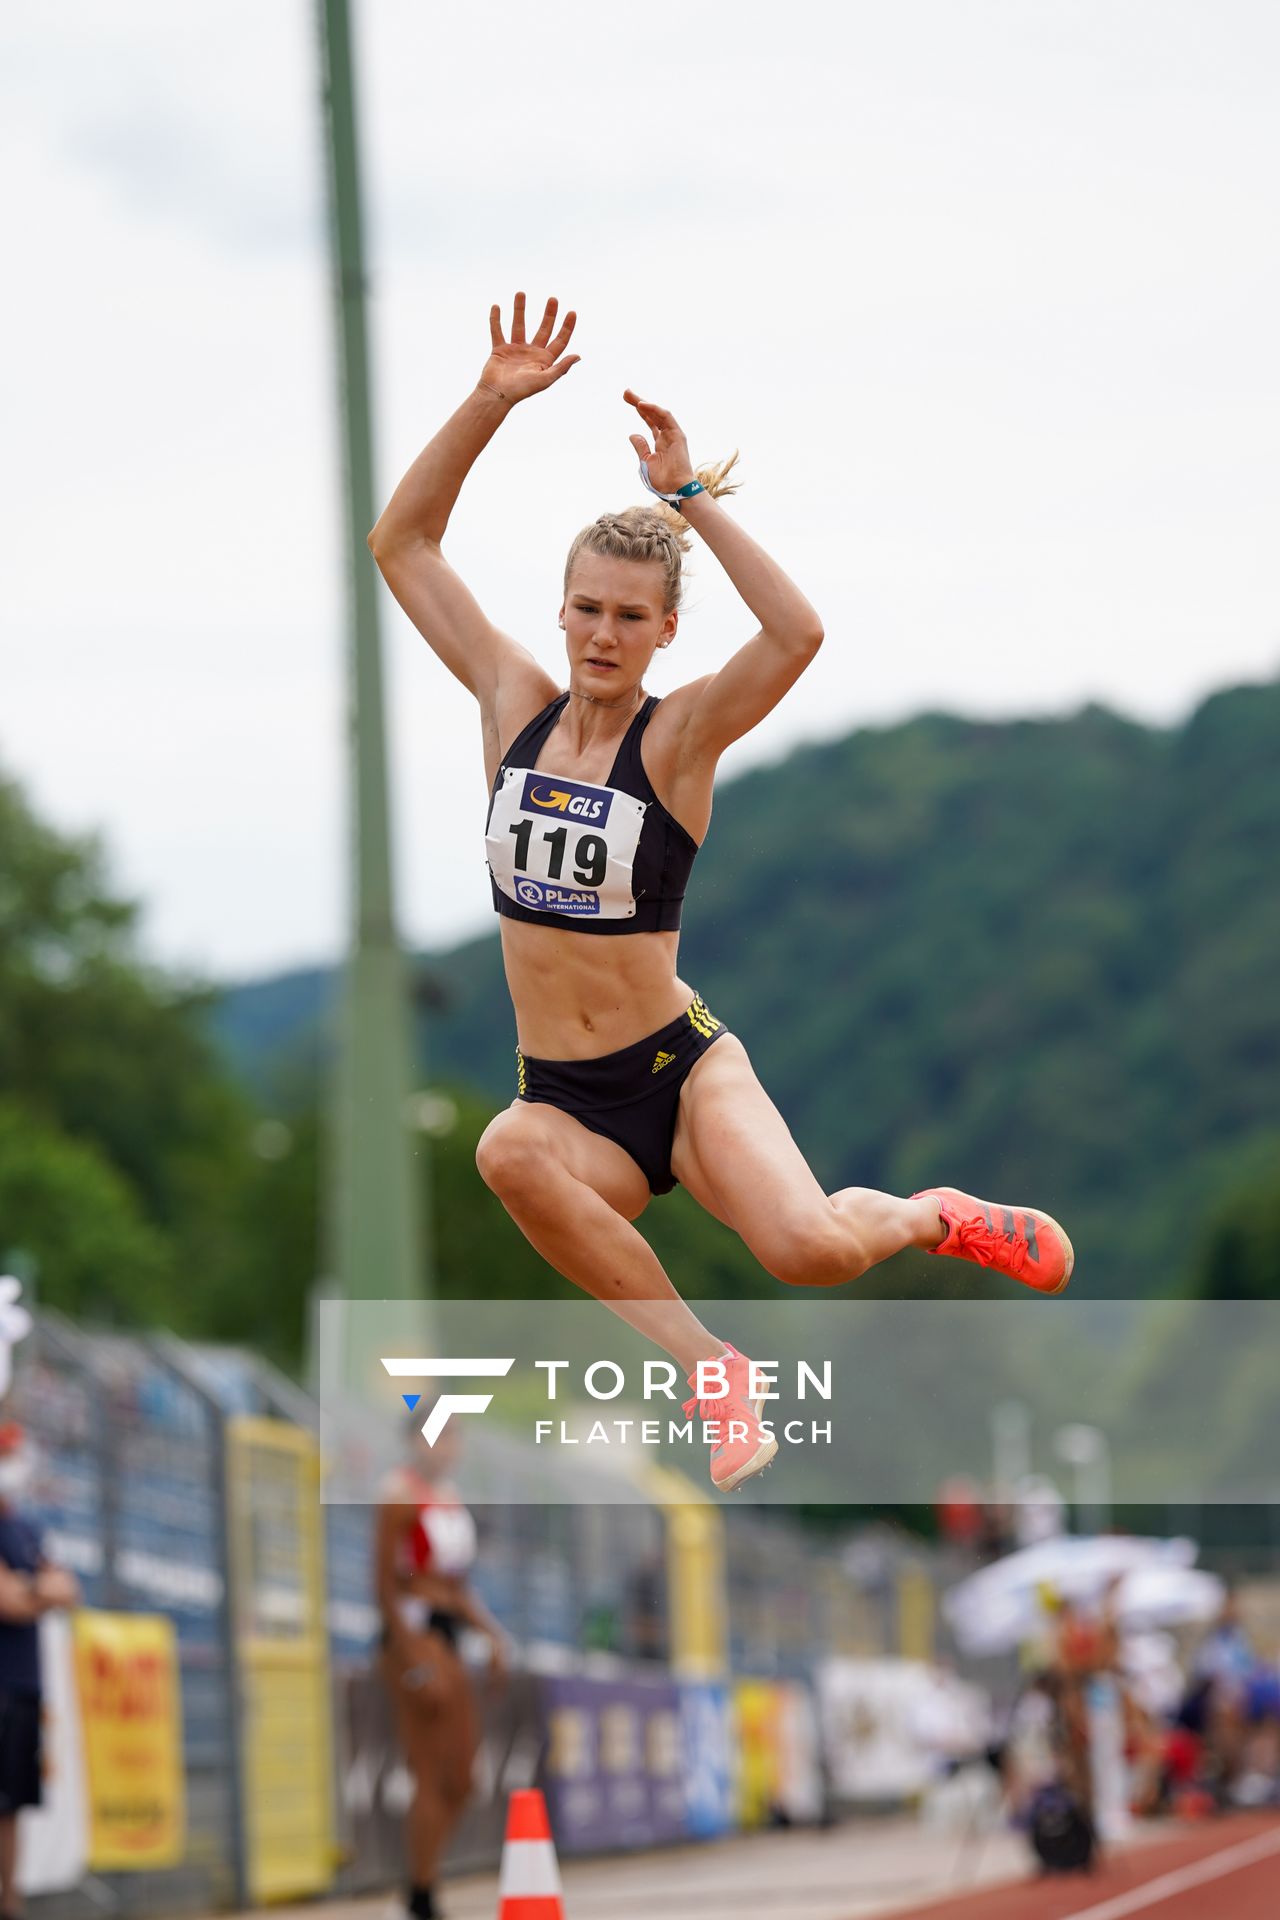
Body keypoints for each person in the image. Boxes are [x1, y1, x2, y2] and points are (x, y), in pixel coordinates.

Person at [368, 291, 1075, 1494]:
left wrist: (691, 497)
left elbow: (795, 635)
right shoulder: (509, 706)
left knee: (809, 1250)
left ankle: (924, 1212)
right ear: (561, 610)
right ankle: (710, 1368)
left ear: (663, 629)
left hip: (678, 1070)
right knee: (507, 1152)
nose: (601, 635)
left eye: (627, 618)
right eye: (584, 609)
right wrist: (488, 402)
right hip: (568, 1099)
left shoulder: (678, 738)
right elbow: (404, 547)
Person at [375, 1407, 506, 1920]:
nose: (447, 1446)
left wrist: (492, 1636)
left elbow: (458, 1587)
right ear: (415, 1440)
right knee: (431, 1772)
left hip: (448, 1634)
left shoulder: (448, 1500)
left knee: (463, 1776)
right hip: (416, 1635)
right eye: (437, 1436)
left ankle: (418, 1890)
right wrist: (412, 1657)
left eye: (453, 1435)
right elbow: (384, 1585)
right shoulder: (399, 1495)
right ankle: (421, 1899)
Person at [0, 1421, 80, 1915]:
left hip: (23, 1685)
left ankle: (10, 1899)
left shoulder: (26, 1526)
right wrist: (38, 1592)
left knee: (13, 1807)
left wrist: (33, 1592)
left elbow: (66, 1589)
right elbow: (11, 1601)